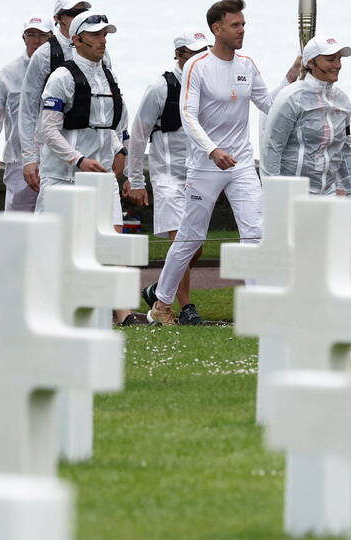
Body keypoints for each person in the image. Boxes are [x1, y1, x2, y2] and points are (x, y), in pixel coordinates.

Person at [146, 0, 278, 326]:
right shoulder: (198, 66)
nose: (242, 30)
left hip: (242, 163)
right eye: (235, 25)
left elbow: (271, 105)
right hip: (205, 166)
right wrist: (212, 150)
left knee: (255, 231)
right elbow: (187, 115)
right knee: (189, 239)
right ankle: (161, 304)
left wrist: (293, 81)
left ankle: (258, 307)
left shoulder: (248, 65)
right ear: (217, 29)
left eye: (243, 24)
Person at [35, 10, 138, 326]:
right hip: (64, 178)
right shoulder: (62, 77)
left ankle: (122, 312)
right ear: (76, 39)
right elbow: (48, 130)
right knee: (51, 246)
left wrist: (121, 150)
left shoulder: (109, 76)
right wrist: (77, 159)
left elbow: (116, 123)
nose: (102, 40)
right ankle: (46, 307)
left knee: (114, 241)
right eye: (94, 35)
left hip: (101, 177)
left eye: (105, 34)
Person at [126, 28, 212, 325]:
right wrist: (135, 180)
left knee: (196, 247)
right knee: (184, 243)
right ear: (178, 55)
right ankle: (186, 307)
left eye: (205, 52)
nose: (201, 59)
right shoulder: (159, 88)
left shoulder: (209, 86)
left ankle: (157, 289)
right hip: (168, 179)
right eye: (193, 53)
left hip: (198, 177)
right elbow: (137, 136)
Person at [261, 34, 351, 223]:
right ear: (311, 62)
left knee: (328, 251)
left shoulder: (342, 100)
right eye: (330, 59)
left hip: (329, 193)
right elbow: (271, 150)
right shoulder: (290, 97)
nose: (337, 65)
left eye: (339, 59)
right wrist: (275, 197)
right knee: (295, 251)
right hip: (294, 195)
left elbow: (344, 150)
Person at [17, 1, 97, 196]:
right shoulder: (45, 54)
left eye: (84, 12)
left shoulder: (99, 52)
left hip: (91, 147)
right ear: (57, 18)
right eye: (72, 13)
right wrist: (29, 158)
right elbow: (28, 108)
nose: (79, 17)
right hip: (54, 149)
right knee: (53, 218)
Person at [0, 14, 52, 212]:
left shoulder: (61, 71)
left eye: (42, 35)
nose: (36, 40)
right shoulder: (8, 73)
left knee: (53, 217)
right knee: (18, 217)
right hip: (18, 157)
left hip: (55, 157)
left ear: (52, 38)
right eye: (31, 34)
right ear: (24, 38)